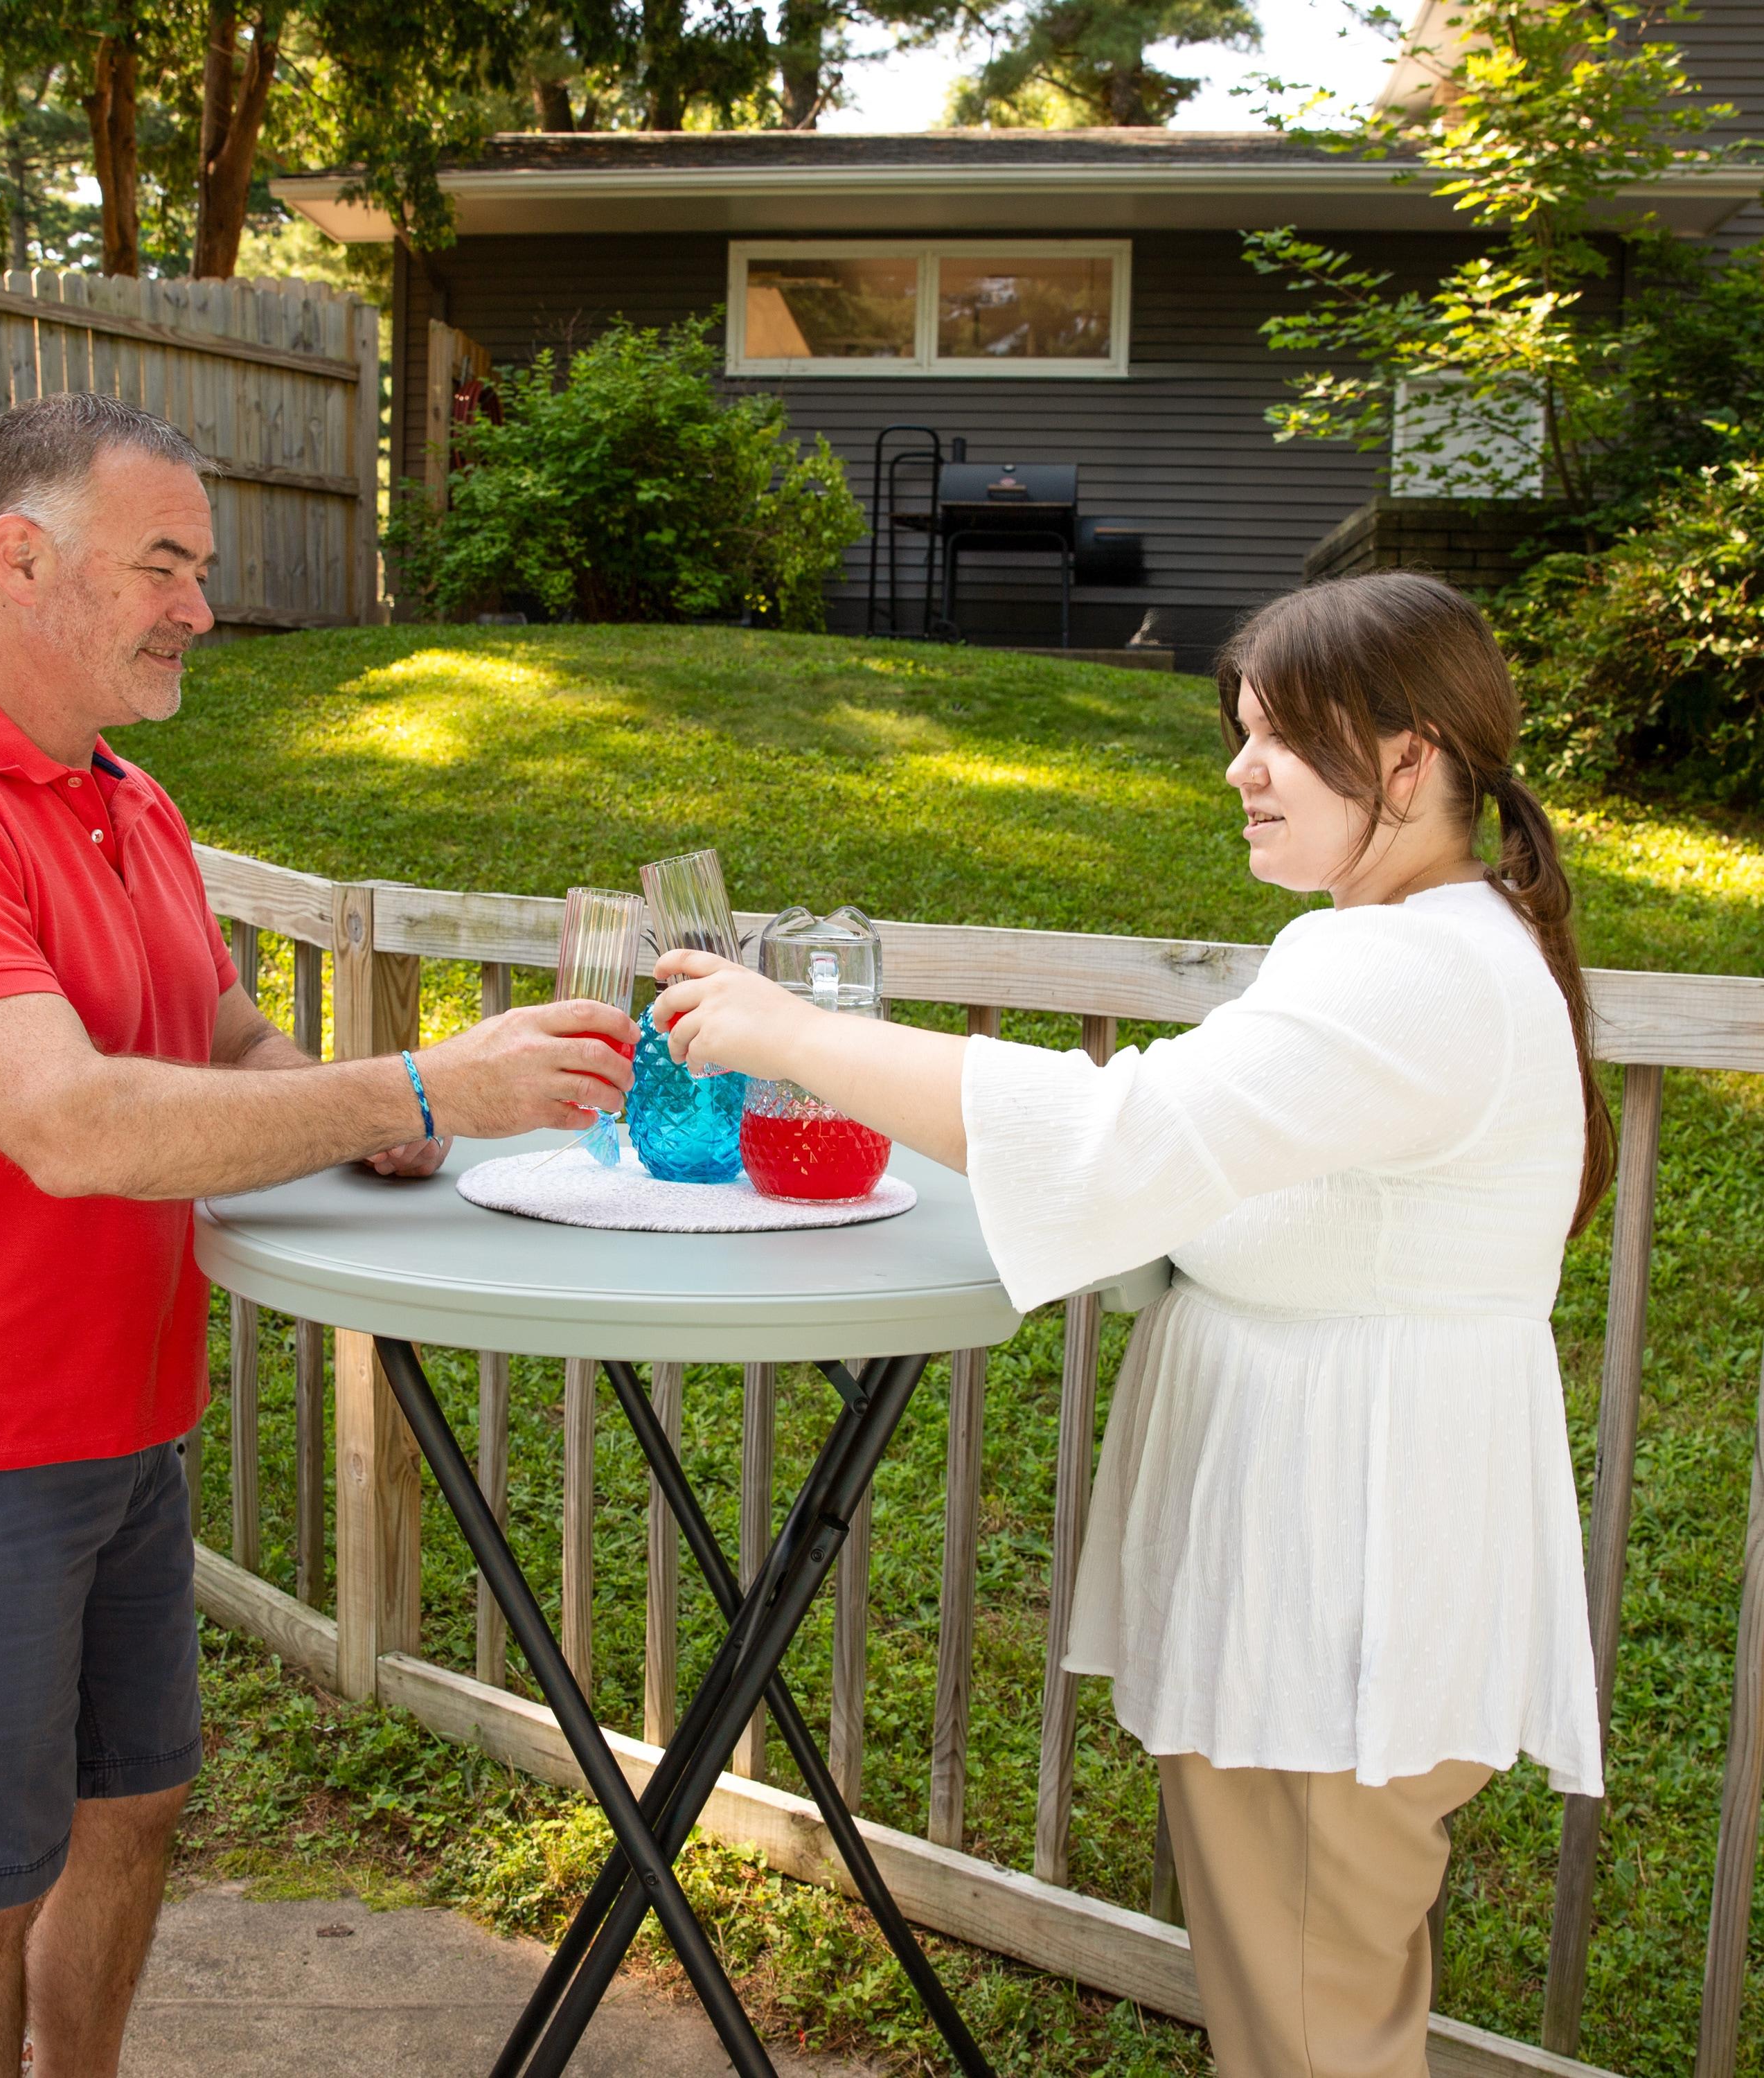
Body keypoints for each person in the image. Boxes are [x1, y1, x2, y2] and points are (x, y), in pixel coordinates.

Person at [0, 392, 636, 2078]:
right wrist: (418, 1081)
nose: (202, 608)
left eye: (201, 567)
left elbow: (219, 1039)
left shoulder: (128, 806)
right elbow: (74, 1122)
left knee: (132, 1810)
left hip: (118, 1420)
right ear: (23, 557)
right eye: (164, 563)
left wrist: (359, 1106)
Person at [655, 569, 1610, 2077]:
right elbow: (1230, 1182)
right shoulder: (1439, 949)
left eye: (1278, 739)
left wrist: (798, 1037)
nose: (1238, 770)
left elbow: (1116, 1139)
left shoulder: (1410, 968)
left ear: (1409, 763)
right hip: (1346, 1577)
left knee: (1311, 2035)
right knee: (1319, 2006)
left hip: (1340, 1596)